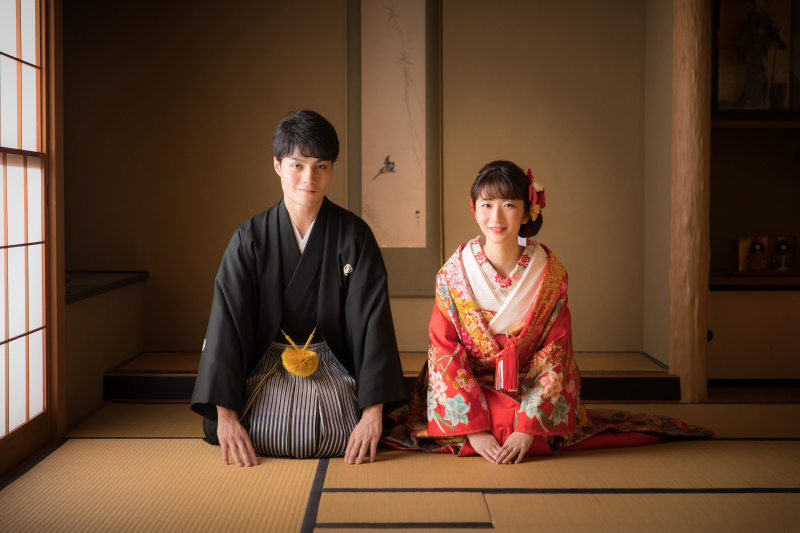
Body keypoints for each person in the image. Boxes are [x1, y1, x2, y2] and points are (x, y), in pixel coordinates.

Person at [382, 160, 711, 463]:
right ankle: (476, 428)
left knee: (519, 427)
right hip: (472, 389)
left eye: (508, 205)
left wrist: (528, 426)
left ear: (527, 212)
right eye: (486, 205)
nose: (495, 217)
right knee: (493, 425)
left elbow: (556, 350)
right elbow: (443, 348)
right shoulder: (453, 274)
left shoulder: (549, 273)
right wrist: (472, 428)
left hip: (527, 387)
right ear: (474, 209)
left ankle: (523, 425)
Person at [191, 110, 406, 467]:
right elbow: (226, 323)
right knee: (236, 429)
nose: (310, 178)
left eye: (321, 166)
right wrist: (227, 416)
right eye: (297, 165)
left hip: (333, 365)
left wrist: (372, 414)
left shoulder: (354, 236)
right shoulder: (250, 239)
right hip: (266, 364)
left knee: (344, 431)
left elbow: (373, 325)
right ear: (277, 165)